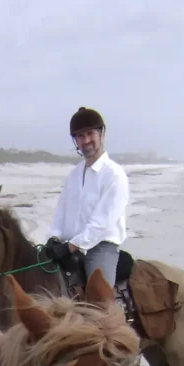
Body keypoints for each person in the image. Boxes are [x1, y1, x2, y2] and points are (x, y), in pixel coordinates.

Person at [47, 107, 130, 286]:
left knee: (100, 305)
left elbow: (102, 222)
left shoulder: (114, 174)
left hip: (99, 249)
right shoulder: (73, 175)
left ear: (102, 133)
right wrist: (54, 238)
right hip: (68, 247)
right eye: (80, 136)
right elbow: (61, 211)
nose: (86, 141)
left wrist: (71, 246)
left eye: (90, 134)